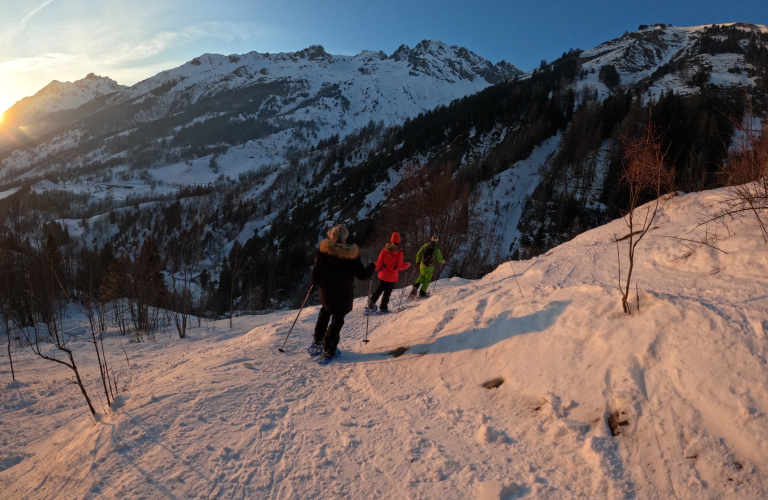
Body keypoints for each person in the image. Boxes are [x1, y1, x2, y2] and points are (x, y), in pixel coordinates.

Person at [309, 224, 375, 363]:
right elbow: (362, 275)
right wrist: (371, 267)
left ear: (331, 236)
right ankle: (328, 351)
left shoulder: (323, 252)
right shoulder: (351, 255)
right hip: (343, 296)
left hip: (326, 293)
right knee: (337, 320)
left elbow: (314, 277)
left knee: (325, 312)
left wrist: (315, 283)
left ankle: (317, 341)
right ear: (344, 238)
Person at [366, 232, 410, 314]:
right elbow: (400, 267)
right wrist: (407, 265)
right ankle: (383, 307)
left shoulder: (385, 249)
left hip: (383, 274)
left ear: (391, 240)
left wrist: (372, 270)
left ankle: (371, 303)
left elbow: (379, 263)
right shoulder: (399, 252)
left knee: (379, 289)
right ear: (399, 240)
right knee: (387, 292)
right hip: (392, 277)